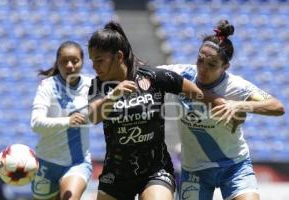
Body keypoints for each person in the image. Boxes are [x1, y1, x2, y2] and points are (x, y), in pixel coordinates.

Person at [86, 21, 223, 200]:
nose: (94, 66)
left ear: (119, 56)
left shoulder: (152, 76)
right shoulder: (98, 85)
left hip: (155, 169)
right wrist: (113, 95)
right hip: (116, 173)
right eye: (92, 60)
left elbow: (196, 93)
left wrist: (225, 105)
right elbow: (93, 116)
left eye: (99, 60)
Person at [158, 20, 285, 200]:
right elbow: (149, 72)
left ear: (225, 67)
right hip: (195, 170)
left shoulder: (237, 86)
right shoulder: (183, 75)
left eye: (212, 64)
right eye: (200, 60)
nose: (203, 68)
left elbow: (277, 107)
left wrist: (240, 105)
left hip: (234, 166)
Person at [31, 41, 93, 200]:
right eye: (64, 61)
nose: (70, 65)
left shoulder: (91, 85)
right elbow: (36, 124)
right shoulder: (47, 86)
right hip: (46, 163)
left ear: (83, 61)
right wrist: (67, 121)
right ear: (57, 63)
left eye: (75, 60)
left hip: (77, 163)